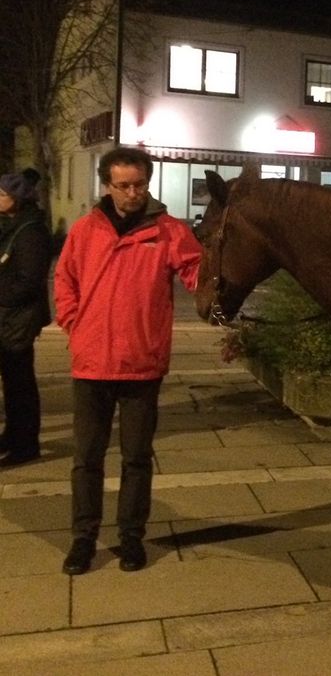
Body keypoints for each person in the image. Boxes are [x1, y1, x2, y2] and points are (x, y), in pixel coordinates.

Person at [54, 146, 201, 575]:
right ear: (107, 185)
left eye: (139, 184)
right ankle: (83, 538)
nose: (132, 193)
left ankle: (130, 537)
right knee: (87, 457)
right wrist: (75, 324)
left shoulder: (169, 231)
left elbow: (197, 276)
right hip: (92, 362)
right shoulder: (85, 230)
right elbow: (65, 280)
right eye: (123, 186)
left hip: (141, 361)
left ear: (147, 182)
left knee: (137, 456)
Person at [0, 171, 52, 466]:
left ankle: (26, 444)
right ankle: (13, 435)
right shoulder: (13, 224)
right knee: (12, 380)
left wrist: (3, 296)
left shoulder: (30, 230)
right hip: (9, 316)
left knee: (21, 384)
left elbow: (29, 279)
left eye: (2, 194)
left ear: (17, 199)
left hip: (19, 318)